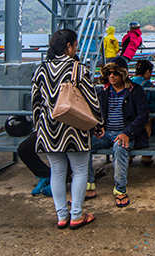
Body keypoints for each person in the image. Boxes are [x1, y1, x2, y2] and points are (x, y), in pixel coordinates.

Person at [31, 29, 102, 229]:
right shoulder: (77, 68)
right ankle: (77, 215)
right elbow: (92, 100)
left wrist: (38, 126)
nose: (76, 48)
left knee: (57, 172)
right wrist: (98, 124)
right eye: (75, 44)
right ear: (69, 46)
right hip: (75, 128)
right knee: (80, 171)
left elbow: (35, 102)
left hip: (48, 128)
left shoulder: (41, 69)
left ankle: (62, 216)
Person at [88, 62, 149, 208]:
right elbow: (95, 112)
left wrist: (128, 133)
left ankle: (120, 189)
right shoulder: (103, 91)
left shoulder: (136, 90)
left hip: (126, 133)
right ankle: (88, 185)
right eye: (108, 73)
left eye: (115, 73)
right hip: (105, 133)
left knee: (120, 147)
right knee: (85, 146)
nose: (111, 76)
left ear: (123, 74)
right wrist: (98, 127)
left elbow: (142, 116)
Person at [132, 59, 155, 165]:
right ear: (147, 72)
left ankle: (129, 156)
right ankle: (146, 155)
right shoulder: (149, 86)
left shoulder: (128, 83)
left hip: (129, 120)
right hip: (144, 122)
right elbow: (154, 107)